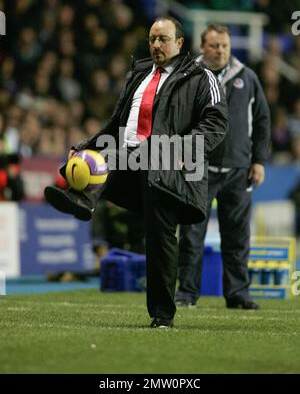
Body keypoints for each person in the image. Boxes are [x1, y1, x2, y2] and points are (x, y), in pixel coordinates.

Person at [44, 16, 228, 328]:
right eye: (152, 39)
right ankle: (80, 198)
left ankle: (162, 315)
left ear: (180, 44)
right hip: (132, 163)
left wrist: (185, 149)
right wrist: (87, 145)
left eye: (163, 39)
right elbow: (117, 124)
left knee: (160, 240)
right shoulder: (140, 74)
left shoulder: (202, 77)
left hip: (170, 169)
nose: (156, 45)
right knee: (101, 159)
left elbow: (216, 123)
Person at [175, 24, 271, 310]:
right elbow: (176, 118)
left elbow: (262, 120)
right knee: (191, 236)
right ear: (202, 47)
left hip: (239, 169)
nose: (220, 51)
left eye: (225, 46)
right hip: (197, 167)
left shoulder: (248, 77)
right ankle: (187, 294)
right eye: (215, 46)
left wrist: (259, 161)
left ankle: (238, 294)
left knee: (238, 237)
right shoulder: (189, 76)